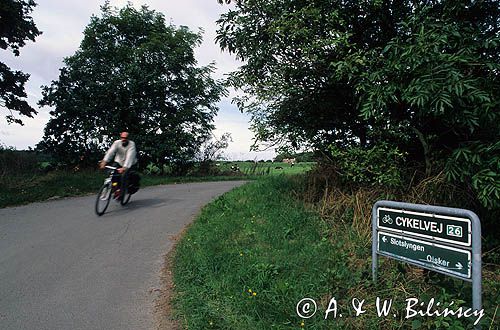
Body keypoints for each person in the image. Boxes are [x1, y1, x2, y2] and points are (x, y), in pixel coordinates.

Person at [99, 132, 138, 197]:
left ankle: (122, 191)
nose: (124, 139)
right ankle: (114, 188)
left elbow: (130, 157)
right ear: (120, 137)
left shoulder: (132, 144)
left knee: (123, 176)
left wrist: (124, 168)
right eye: (122, 138)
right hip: (118, 162)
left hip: (129, 164)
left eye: (125, 138)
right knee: (112, 174)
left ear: (128, 139)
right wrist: (104, 161)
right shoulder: (116, 143)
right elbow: (110, 152)